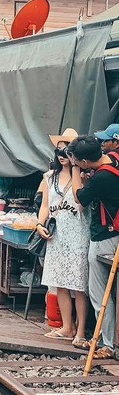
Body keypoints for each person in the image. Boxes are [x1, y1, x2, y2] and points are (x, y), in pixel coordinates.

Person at [36, 129, 89, 346]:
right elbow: (45, 205)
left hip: (77, 232)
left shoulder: (84, 176)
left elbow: (83, 203)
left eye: (66, 150)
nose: (61, 154)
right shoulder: (50, 177)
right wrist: (39, 223)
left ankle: (81, 330)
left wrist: (77, 168)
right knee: (59, 282)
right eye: (59, 149)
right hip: (57, 233)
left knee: (78, 283)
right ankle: (67, 326)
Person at [69, 135, 119, 358]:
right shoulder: (114, 159)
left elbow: (80, 198)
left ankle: (106, 343)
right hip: (115, 234)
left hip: (103, 238)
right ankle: (102, 337)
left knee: (100, 294)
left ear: (85, 162)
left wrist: (74, 172)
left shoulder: (100, 179)